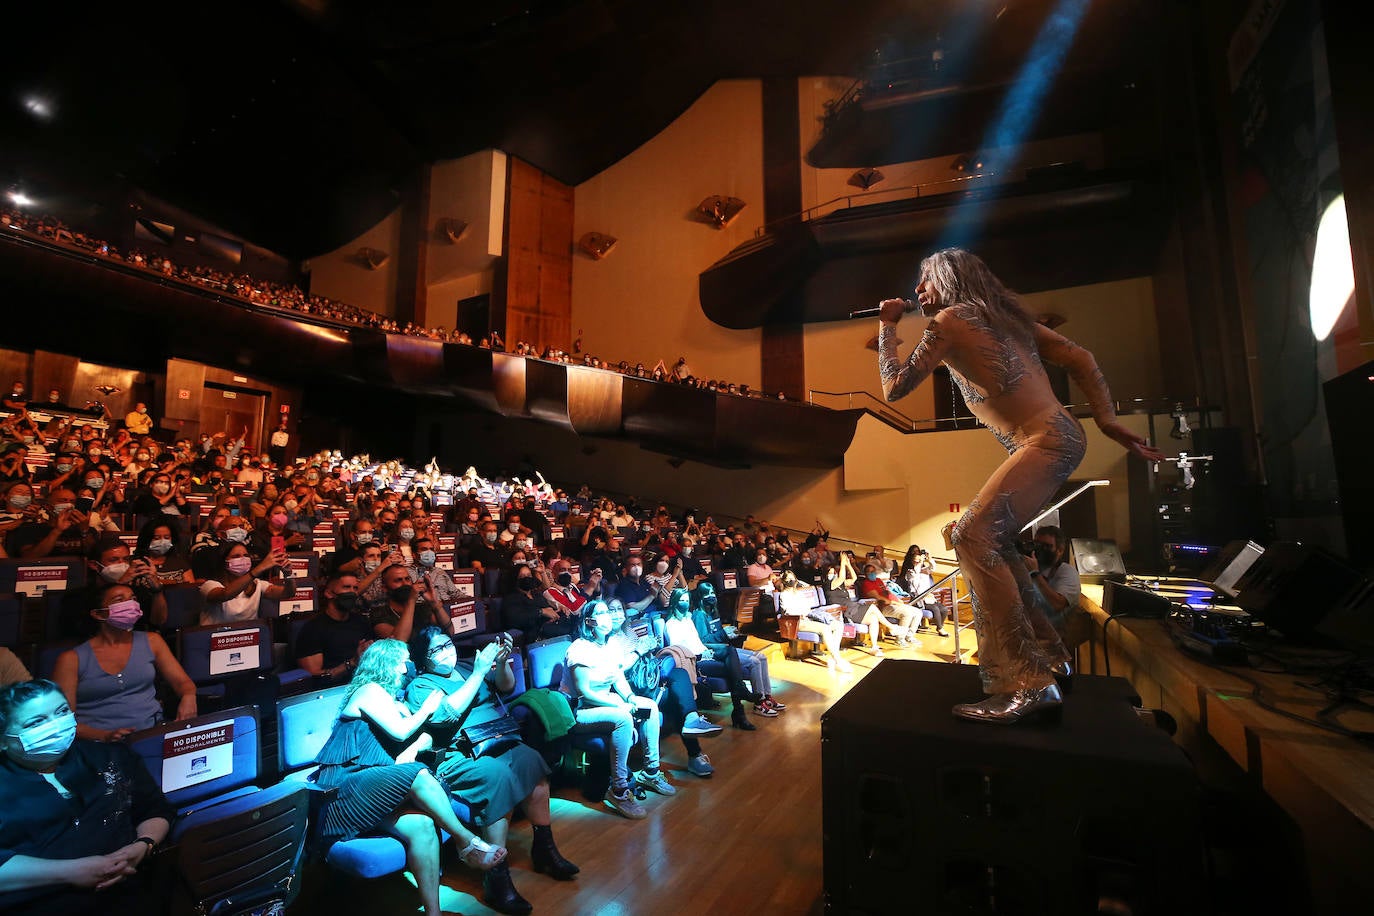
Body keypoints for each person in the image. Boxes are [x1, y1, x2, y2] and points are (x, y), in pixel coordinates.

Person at [875, 247, 1162, 724]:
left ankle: (1023, 682)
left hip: (1045, 440)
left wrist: (887, 328)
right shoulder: (1004, 318)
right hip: (1059, 436)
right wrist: (1106, 420)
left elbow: (895, 387)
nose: (918, 292)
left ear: (947, 280)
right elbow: (1082, 358)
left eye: (924, 281)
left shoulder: (948, 319)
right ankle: (1050, 658)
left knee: (971, 535)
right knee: (992, 540)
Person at [311, 640, 506, 916]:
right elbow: (402, 732)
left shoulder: (391, 701)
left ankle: (433, 913)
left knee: (423, 826)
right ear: (384, 664)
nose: (406, 668)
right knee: (418, 774)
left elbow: (412, 743)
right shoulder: (369, 690)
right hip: (344, 788)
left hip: (373, 788)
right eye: (400, 662)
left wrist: (421, 726)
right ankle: (466, 842)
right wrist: (425, 709)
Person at [405, 628, 579, 915]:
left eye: (447, 644)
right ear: (424, 659)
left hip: (497, 739)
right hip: (459, 754)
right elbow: (444, 715)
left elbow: (506, 687)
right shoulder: (421, 685)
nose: (446, 651)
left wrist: (502, 661)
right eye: (437, 650)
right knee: (497, 777)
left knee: (531, 761)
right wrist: (479, 671)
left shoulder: (465, 666)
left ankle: (544, 848)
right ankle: (496, 878)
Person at [0, 678, 175, 915]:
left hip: (133, 893)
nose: (56, 725)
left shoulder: (110, 756)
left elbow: (155, 808)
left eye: (61, 712)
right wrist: (71, 872)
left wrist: (144, 844)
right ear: (3, 740)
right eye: (37, 722)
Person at [560, 602, 673, 819]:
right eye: (601, 613)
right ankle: (619, 790)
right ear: (589, 621)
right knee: (623, 717)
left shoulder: (610, 644)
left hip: (605, 701)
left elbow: (618, 678)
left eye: (607, 612)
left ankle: (650, 772)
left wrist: (630, 698)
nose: (607, 617)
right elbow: (585, 693)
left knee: (648, 706)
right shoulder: (579, 648)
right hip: (580, 710)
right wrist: (620, 705)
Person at [52, 582, 198, 742]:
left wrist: (188, 696)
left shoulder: (152, 641)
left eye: (133, 598)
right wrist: (105, 736)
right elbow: (63, 722)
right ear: (99, 614)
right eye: (119, 600)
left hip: (150, 734)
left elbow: (182, 682)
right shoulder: (71, 659)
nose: (130, 604)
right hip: (97, 744)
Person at [199, 541, 295, 625]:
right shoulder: (209, 585)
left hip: (247, 638)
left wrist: (288, 574)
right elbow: (225, 594)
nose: (243, 559)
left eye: (246, 555)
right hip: (216, 640)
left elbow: (288, 593)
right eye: (236, 556)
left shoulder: (257, 584)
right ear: (224, 562)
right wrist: (260, 568)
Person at [1025, 525, 1088, 649]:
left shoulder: (1067, 572)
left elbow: (1058, 604)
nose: (1040, 550)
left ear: (1060, 550)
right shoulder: (1028, 568)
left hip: (1054, 642)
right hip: (1028, 637)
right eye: (1037, 544)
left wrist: (1035, 574)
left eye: (1047, 546)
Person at [898, 545, 949, 637]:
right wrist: (919, 563)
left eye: (919, 561)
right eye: (916, 561)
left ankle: (940, 626)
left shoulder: (924, 570)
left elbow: (932, 567)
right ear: (913, 562)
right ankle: (940, 629)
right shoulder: (910, 572)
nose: (918, 563)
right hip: (919, 598)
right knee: (935, 609)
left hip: (929, 597)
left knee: (944, 609)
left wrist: (930, 558)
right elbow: (915, 580)